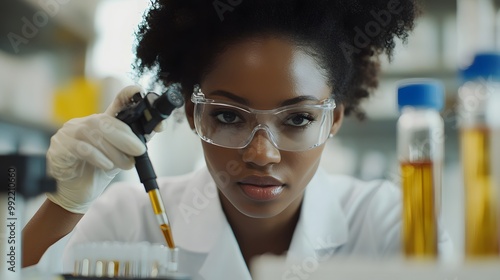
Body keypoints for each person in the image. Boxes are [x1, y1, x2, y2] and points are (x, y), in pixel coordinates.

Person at [22, 0, 452, 279]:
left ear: (333, 119)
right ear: (193, 114)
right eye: (228, 116)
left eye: (298, 118)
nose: (261, 154)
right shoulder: (127, 222)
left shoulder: (387, 223)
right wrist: (63, 206)